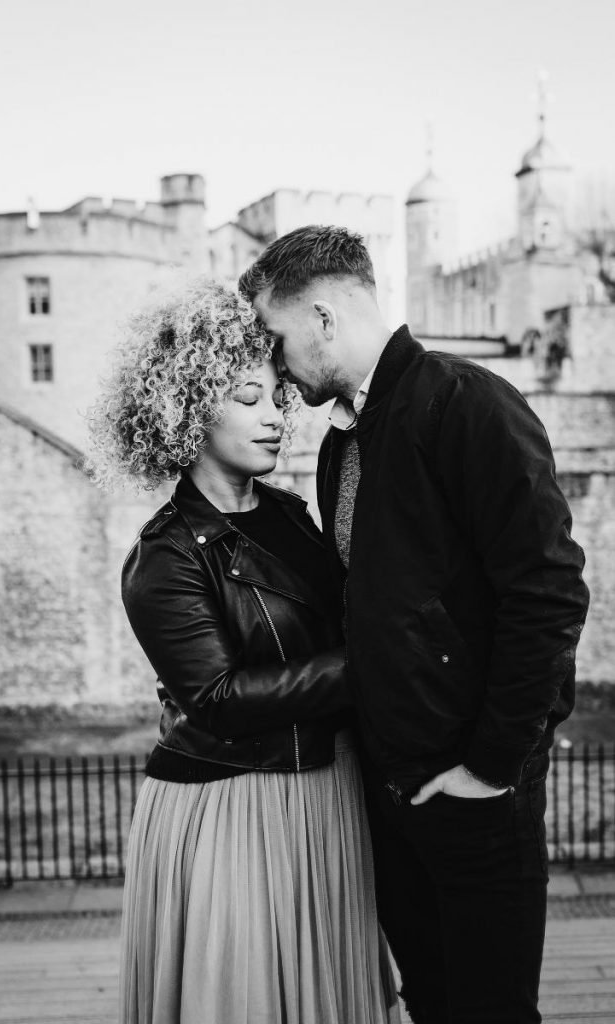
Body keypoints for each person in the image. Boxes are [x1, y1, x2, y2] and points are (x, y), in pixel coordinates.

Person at [239, 226, 590, 1024]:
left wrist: (491, 768)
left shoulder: (467, 402)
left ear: (324, 316)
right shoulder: (344, 443)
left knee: (490, 1012)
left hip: (474, 791)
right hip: (390, 788)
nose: (276, 368)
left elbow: (547, 592)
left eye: (277, 336)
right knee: (430, 1004)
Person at [86, 279, 400, 1024]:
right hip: (232, 803)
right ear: (188, 409)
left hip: (327, 787)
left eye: (275, 400)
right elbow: (220, 702)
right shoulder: (164, 557)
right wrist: (375, 664)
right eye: (245, 398)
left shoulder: (291, 514)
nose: (273, 420)